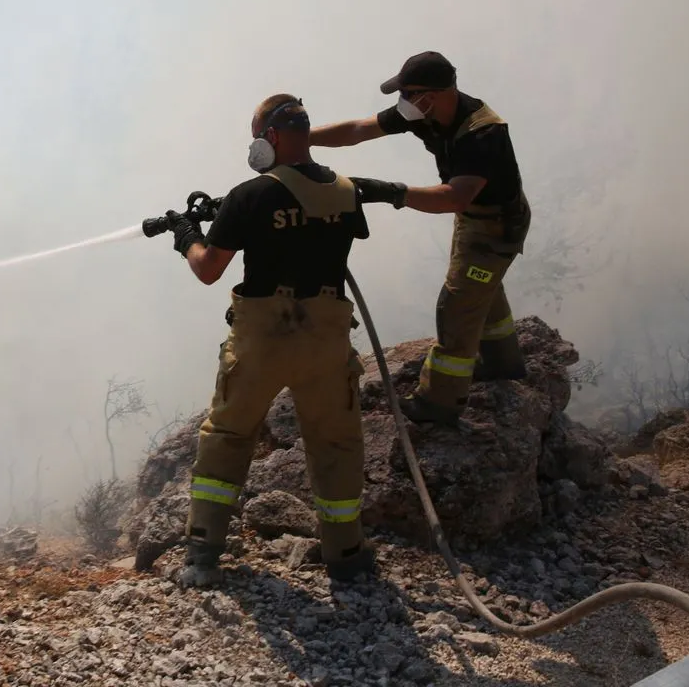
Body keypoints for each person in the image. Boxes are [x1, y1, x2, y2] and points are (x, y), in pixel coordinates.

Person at [163, 92, 405, 588]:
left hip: (263, 343)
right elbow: (314, 223)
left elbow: (210, 268)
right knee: (336, 444)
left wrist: (187, 234)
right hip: (326, 343)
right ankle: (347, 556)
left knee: (228, 438)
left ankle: (202, 556)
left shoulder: (249, 195)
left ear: (270, 138)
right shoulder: (344, 190)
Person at [307, 51, 532, 426]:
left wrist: (393, 192)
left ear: (437, 93)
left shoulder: (482, 133)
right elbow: (360, 130)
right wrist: (302, 140)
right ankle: (504, 364)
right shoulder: (425, 113)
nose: (404, 102)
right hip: (474, 219)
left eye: (411, 93)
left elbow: (454, 197)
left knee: (457, 305)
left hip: (496, 227)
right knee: (481, 287)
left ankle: (439, 404)